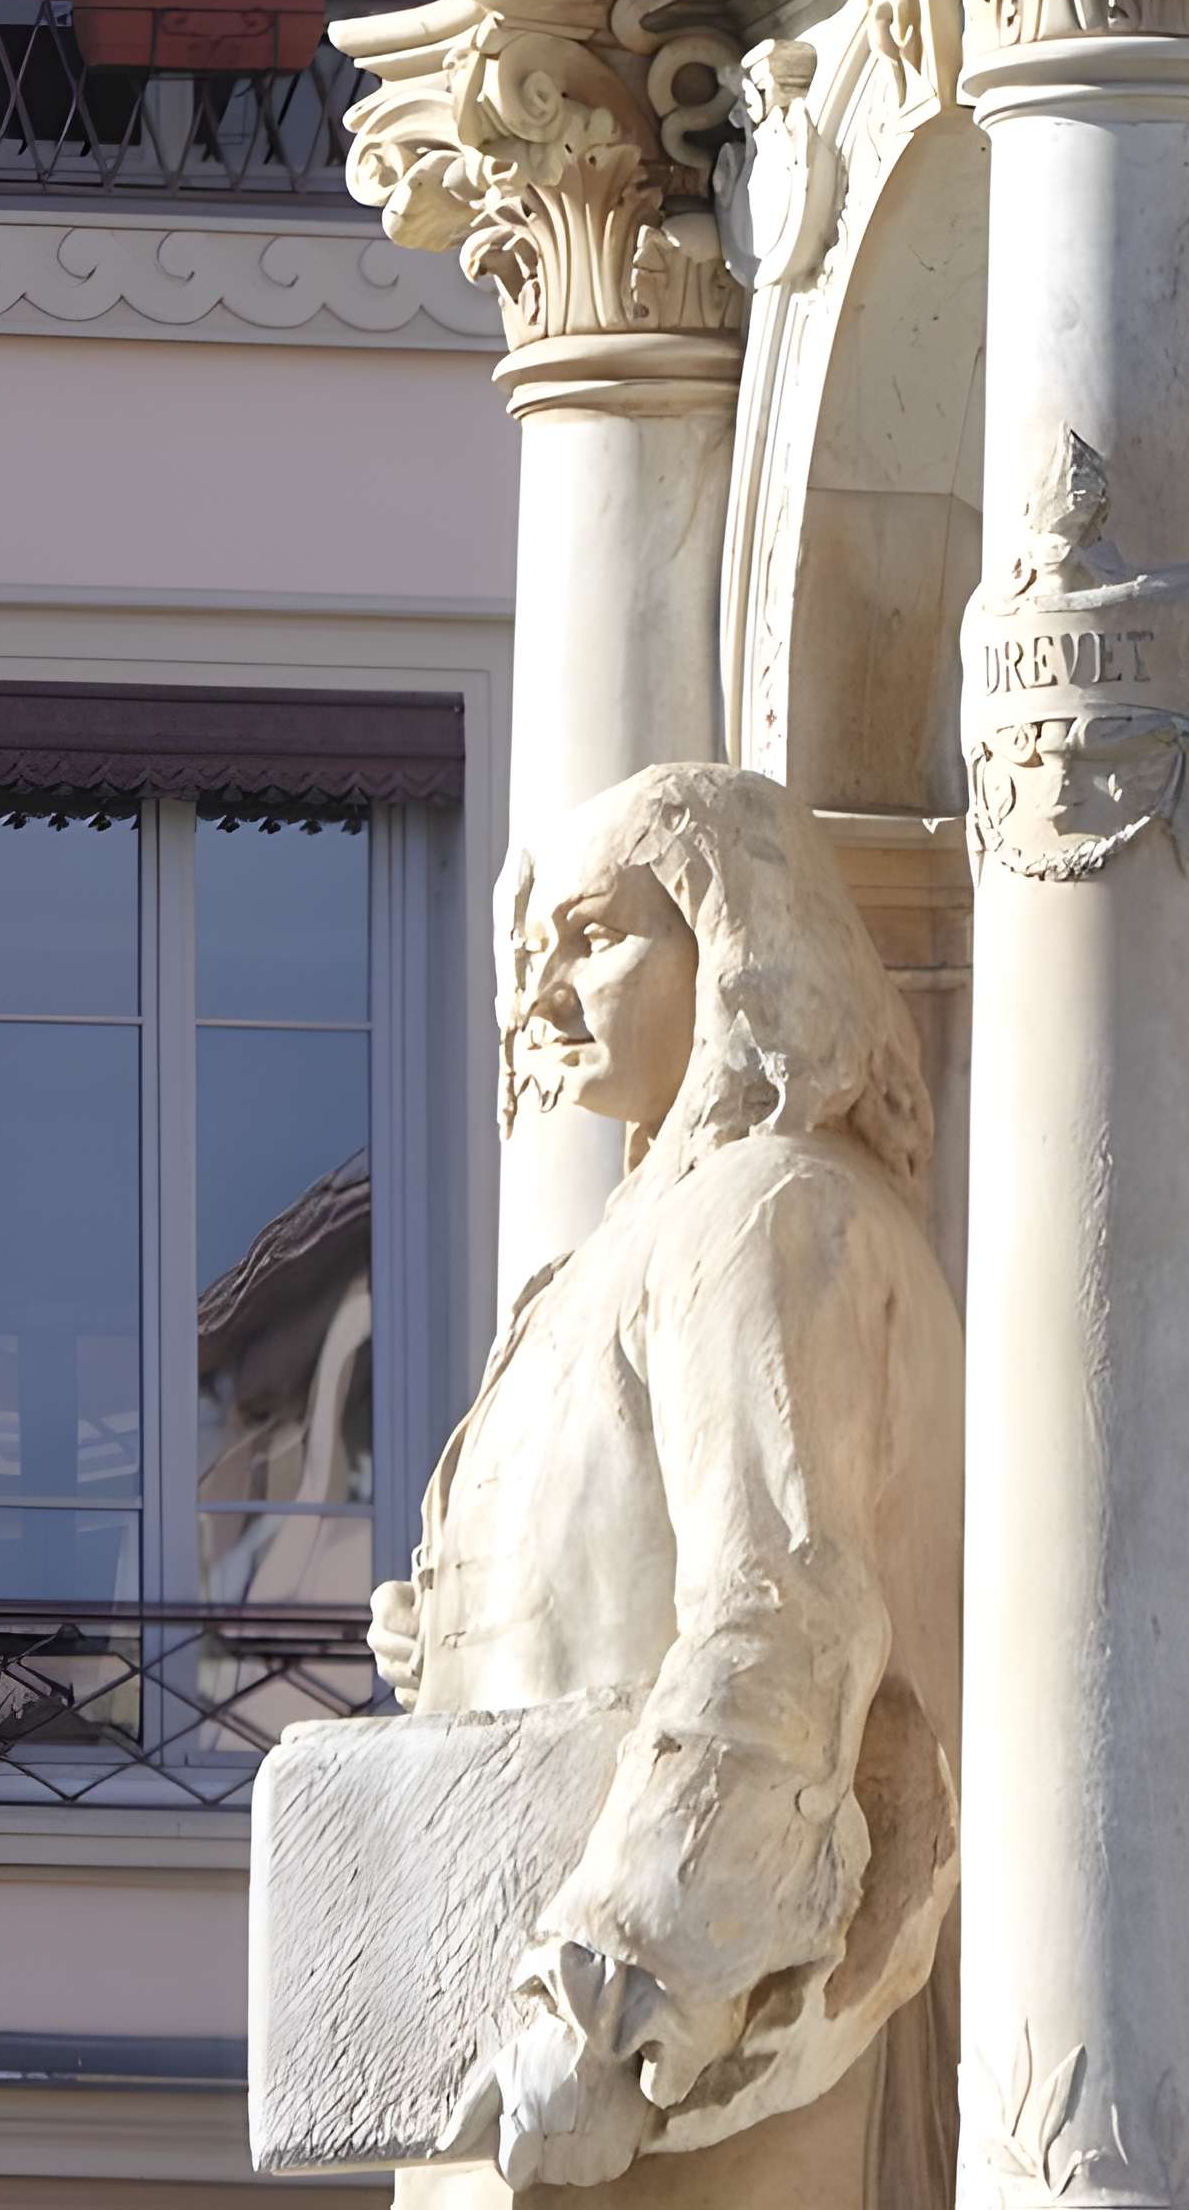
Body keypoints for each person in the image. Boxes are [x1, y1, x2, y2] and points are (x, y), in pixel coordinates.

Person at [366, 763, 962, 2205]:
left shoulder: (767, 1214)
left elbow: (784, 1624)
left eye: (600, 936)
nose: (543, 996)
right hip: (547, 2063)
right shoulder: (649, 1240)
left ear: (737, 944)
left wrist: (614, 2005)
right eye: (536, 956)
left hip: (661, 2070)